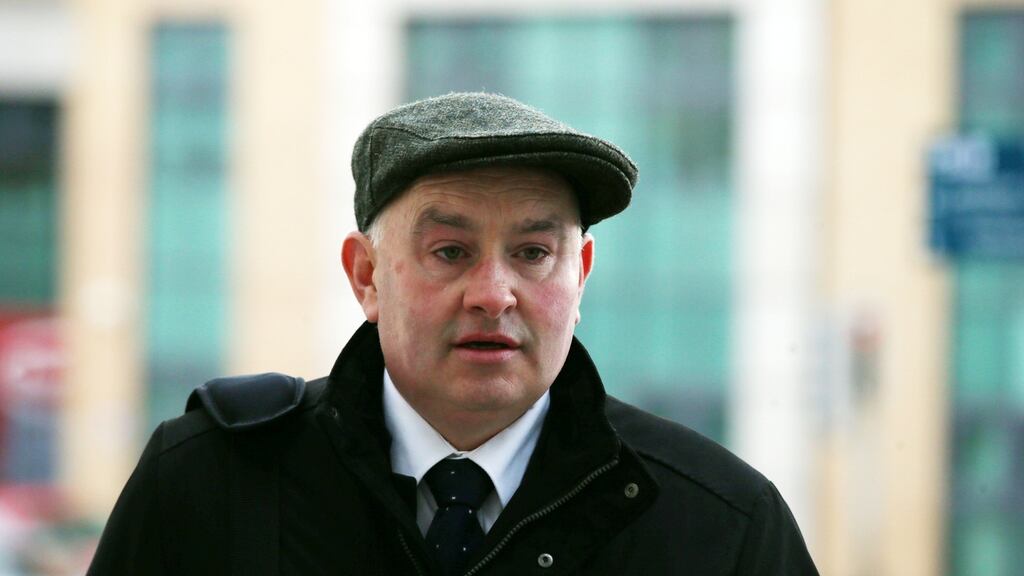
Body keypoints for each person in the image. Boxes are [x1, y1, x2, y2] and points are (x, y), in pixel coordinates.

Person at [87, 92, 819, 575]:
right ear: (367, 275)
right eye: (450, 252)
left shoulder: (719, 524)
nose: (494, 295)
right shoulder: (209, 484)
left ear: (582, 275)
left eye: (533, 253)